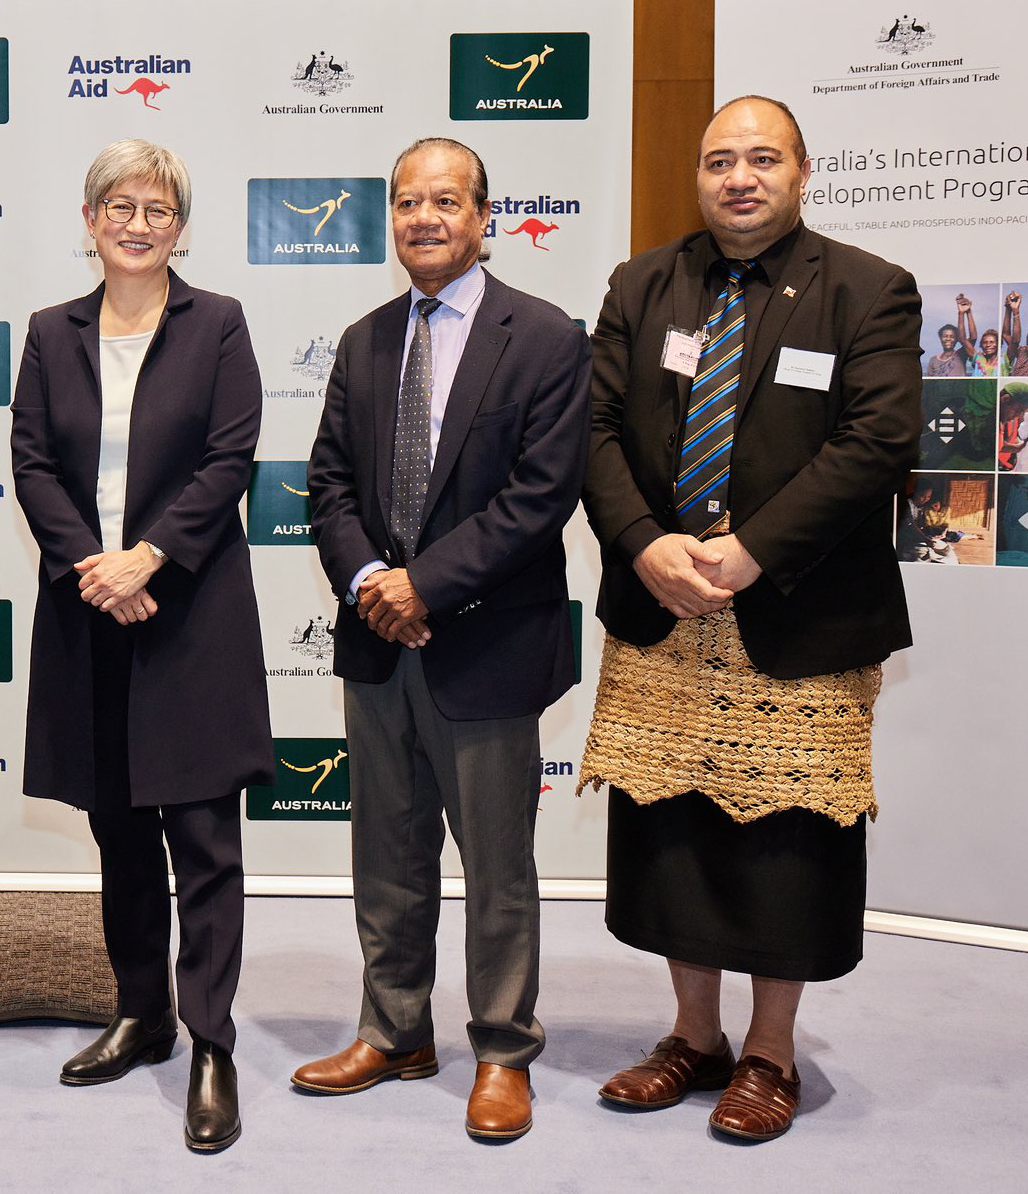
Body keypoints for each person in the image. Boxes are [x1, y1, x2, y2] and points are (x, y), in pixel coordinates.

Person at [579, 95, 920, 1142]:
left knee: (785, 844)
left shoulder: (868, 288)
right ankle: (694, 1038)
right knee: (673, 833)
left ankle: (770, 1054)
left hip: (799, 611)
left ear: (802, 172)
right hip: (665, 604)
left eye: (762, 158)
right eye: (720, 159)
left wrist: (752, 549)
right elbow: (591, 429)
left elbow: (878, 439)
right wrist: (646, 542)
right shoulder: (643, 285)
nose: (739, 177)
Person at [297, 136, 591, 1141]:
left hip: (489, 646)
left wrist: (429, 584)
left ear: (483, 215)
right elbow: (329, 482)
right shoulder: (366, 339)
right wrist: (376, 581)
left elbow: (539, 499)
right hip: (380, 642)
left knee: (497, 865)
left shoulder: (546, 337)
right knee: (386, 853)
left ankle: (504, 1048)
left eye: (445, 201)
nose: (424, 219)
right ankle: (397, 1031)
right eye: (407, 203)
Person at [10, 139, 270, 1153]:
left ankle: (210, 1039)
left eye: (157, 210)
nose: (136, 223)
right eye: (118, 206)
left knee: (205, 841)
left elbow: (230, 457)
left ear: (180, 228)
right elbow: (31, 460)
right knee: (118, 831)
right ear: (89, 221)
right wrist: (94, 568)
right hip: (89, 611)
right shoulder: (49, 332)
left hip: (190, 612)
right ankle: (141, 1011)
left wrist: (148, 560)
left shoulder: (220, 326)